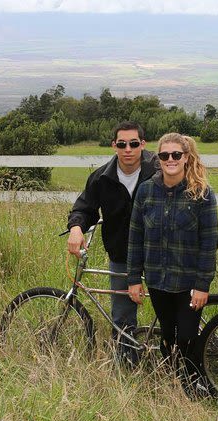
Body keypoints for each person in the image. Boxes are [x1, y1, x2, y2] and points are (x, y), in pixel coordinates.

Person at [127, 133, 218, 393]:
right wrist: (134, 278)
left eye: (176, 155)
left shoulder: (201, 194)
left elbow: (209, 243)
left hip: (188, 281)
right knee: (167, 335)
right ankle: (173, 383)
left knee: (188, 336)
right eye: (164, 155)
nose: (170, 159)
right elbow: (135, 237)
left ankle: (193, 384)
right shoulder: (146, 191)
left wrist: (203, 284)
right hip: (157, 279)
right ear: (158, 158)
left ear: (186, 157)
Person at [67, 121, 157, 367]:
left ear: (143, 144)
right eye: (122, 144)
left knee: (173, 308)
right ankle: (127, 367)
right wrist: (76, 228)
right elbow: (84, 208)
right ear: (113, 145)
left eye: (134, 143)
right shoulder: (101, 177)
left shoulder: (160, 170)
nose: (128, 149)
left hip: (159, 253)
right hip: (122, 254)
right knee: (122, 314)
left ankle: (182, 359)